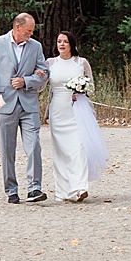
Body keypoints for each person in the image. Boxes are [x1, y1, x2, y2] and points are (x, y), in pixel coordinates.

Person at [0, 12, 48, 203]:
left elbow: (44, 73)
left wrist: (26, 81)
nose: (31, 34)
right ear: (17, 28)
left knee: (34, 144)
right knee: (7, 149)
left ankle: (34, 188)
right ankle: (11, 190)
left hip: (29, 104)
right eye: (28, 30)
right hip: (3, 103)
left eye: (32, 31)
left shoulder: (36, 47)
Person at [44, 30, 106, 202]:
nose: (62, 44)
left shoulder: (81, 62)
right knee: (61, 152)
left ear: (71, 44)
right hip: (58, 111)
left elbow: (91, 87)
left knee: (78, 149)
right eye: (59, 41)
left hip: (77, 111)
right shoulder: (50, 63)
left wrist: (80, 91)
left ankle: (80, 188)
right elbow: (41, 86)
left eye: (65, 41)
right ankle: (63, 192)